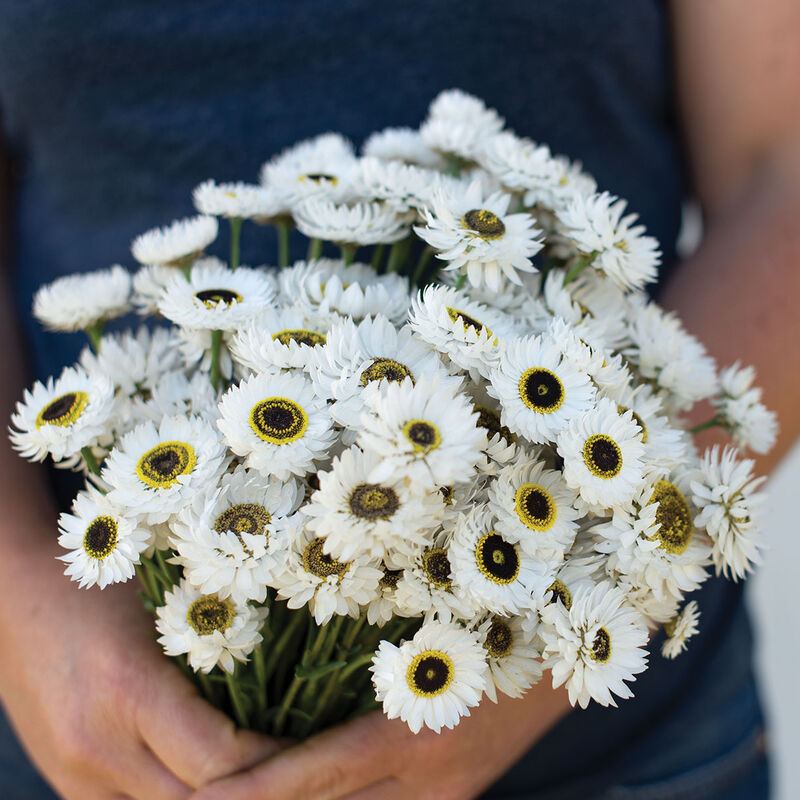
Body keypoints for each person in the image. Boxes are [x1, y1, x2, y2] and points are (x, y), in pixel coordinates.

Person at [0, 1, 798, 797]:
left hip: (610, 752)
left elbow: (784, 173)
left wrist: (532, 651)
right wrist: (20, 601)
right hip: (84, 731)